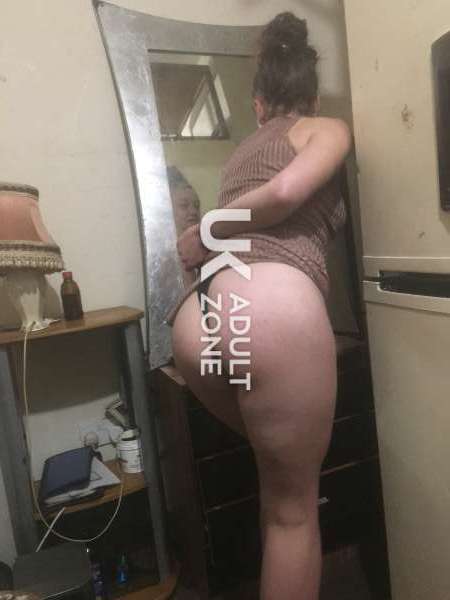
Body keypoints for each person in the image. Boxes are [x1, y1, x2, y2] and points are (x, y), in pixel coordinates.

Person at [169, 12, 351, 600]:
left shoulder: (241, 152)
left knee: (277, 484)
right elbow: (287, 192)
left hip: (200, 320)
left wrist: (206, 231)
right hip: (271, 307)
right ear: (312, 97)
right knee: (293, 511)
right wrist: (207, 228)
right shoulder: (326, 128)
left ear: (257, 105)